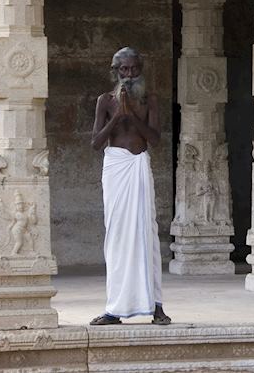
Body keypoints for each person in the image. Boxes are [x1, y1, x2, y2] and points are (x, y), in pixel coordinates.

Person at [89, 46, 171, 326]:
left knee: (146, 234)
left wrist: (132, 116)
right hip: (116, 167)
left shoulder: (150, 100)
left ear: (140, 69)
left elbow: (156, 139)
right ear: (116, 71)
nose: (129, 74)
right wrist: (117, 116)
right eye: (124, 69)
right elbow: (96, 143)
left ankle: (155, 306)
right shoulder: (105, 100)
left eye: (134, 69)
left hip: (138, 164)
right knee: (118, 236)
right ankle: (115, 308)